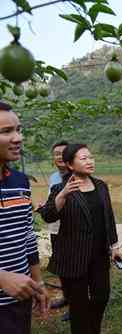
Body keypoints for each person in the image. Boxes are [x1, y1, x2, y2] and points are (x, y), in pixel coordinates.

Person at [40, 143, 121, 334]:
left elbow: (108, 217)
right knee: (78, 307)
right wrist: (63, 194)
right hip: (73, 257)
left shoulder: (100, 186)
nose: (90, 161)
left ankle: (93, 329)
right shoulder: (60, 188)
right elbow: (48, 215)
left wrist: (114, 245)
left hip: (99, 255)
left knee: (101, 297)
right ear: (70, 164)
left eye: (91, 157)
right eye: (83, 158)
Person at [0, 102, 49, 334]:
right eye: (6, 131)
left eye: (18, 129)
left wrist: (37, 282)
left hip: (21, 298)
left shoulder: (20, 181)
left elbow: (27, 236)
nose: (17, 137)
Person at [44, 141, 71, 320]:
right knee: (60, 262)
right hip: (56, 227)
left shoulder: (77, 175)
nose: (59, 157)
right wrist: (44, 207)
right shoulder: (54, 177)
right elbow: (52, 202)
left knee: (75, 266)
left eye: (63, 153)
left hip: (73, 229)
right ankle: (67, 297)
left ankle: (78, 304)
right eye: (56, 154)